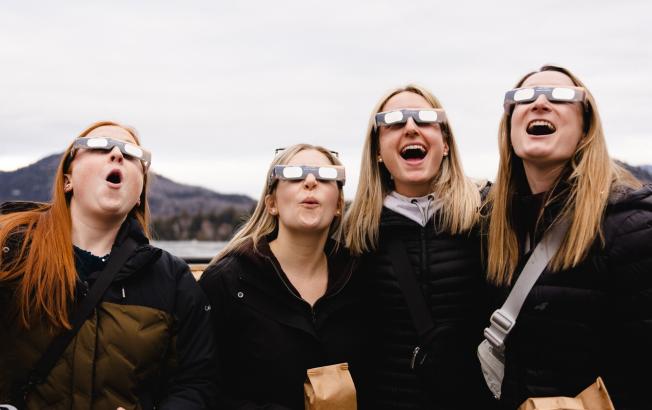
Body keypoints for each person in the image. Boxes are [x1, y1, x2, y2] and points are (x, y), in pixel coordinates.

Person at [0, 121, 215, 409]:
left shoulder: (172, 279)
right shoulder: (10, 249)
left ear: (139, 193)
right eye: (99, 146)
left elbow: (196, 382)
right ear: (68, 180)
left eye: (132, 154)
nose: (117, 154)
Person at [484, 64, 652, 409]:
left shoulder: (631, 229)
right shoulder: (493, 227)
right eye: (523, 97)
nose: (539, 104)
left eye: (561, 96)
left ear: (586, 126)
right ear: (510, 127)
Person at [344, 85, 491, 409]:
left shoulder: (488, 217)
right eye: (394, 123)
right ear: (378, 152)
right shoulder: (353, 234)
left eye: (425, 120)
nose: (411, 128)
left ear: (447, 144)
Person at [199, 144, 368, 410]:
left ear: (338, 204)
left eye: (325, 176)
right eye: (294, 175)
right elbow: (202, 388)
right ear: (272, 203)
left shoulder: (361, 279)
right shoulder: (226, 282)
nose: (310, 182)